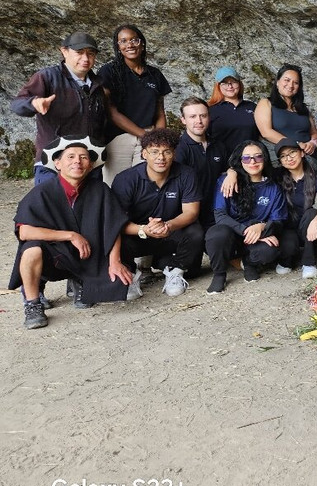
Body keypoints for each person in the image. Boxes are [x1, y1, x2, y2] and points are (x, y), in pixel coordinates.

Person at [11, 138, 132, 328]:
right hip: (54, 257)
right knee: (31, 249)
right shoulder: (42, 192)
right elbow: (25, 232)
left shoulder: (100, 190)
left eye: (84, 157)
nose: (77, 161)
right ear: (57, 163)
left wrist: (115, 262)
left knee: (118, 283)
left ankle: (79, 281)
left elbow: (113, 226)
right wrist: (70, 235)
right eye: (71, 157)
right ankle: (32, 303)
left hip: (89, 257)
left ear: (90, 165)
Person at [112, 128, 203, 299]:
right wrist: (144, 229)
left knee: (195, 231)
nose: (161, 157)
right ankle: (130, 275)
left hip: (169, 231)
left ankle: (175, 271)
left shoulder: (186, 174)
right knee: (115, 237)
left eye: (166, 152)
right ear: (144, 154)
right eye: (154, 152)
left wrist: (168, 225)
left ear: (174, 154)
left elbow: (191, 212)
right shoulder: (126, 179)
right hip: (138, 234)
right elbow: (116, 221)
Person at [11, 31, 109, 185]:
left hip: (88, 163)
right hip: (53, 160)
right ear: (64, 51)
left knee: (90, 201)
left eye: (90, 54)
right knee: (51, 200)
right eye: (79, 52)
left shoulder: (97, 84)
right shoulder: (48, 77)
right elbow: (17, 104)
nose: (85, 58)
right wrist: (33, 103)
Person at [205, 141, 287, 293]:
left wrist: (262, 227)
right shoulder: (227, 181)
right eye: (247, 158)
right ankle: (219, 274)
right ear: (240, 161)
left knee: (270, 249)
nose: (253, 162)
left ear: (265, 159)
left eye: (258, 157)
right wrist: (246, 231)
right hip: (231, 234)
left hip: (254, 239)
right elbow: (220, 215)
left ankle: (248, 263)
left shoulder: (273, 187)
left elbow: (278, 220)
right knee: (216, 234)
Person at [97, 24, 170, 184]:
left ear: (142, 44)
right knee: (114, 185)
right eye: (123, 41)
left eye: (134, 40)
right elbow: (111, 112)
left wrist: (159, 139)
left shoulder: (155, 74)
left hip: (149, 136)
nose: (129, 44)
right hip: (118, 138)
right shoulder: (108, 72)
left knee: (145, 185)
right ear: (118, 47)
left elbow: (159, 112)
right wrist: (144, 135)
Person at [274, 139, 317, 281]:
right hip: (287, 227)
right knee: (287, 256)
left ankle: (309, 263)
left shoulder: (315, 176)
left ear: (301, 153)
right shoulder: (277, 177)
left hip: (307, 226)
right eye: (283, 156)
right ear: (280, 161)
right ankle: (287, 258)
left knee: (312, 213)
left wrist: (315, 222)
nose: (289, 158)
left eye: (292, 152)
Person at [175, 96, 228, 232]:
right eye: (192, 116)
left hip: (217, 212)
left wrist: (232, 172)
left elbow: (225, 173)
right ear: (183, 120)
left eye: (203, 116)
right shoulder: (178, 149)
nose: (198, 121)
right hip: (189, 216)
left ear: (208, 118)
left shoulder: (219, 146)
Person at [255, 64, 317, 168]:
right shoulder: (266, 103)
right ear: (277, 82)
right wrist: (296, 144)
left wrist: (312, 143)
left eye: (296, 82)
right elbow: (266, 132)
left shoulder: (303, 108)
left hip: (308, 156)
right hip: (282, 158)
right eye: (287, 80)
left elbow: (314, 132)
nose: (291, 85)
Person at [207, 66, 258, 160]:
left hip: (251, 161)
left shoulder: (252, 107)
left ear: (239, 83)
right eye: (225, 83)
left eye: (233, 82)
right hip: (223, 162)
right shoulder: (210, 111)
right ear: (218, 86)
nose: (230, 86)